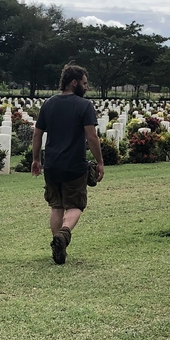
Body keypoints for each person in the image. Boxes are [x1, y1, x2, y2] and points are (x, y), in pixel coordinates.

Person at [31, 63, 104, 264]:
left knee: (56, 206)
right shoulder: (84, 106)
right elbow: (92, 137)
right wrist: (99, 161)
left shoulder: (48, 104)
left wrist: (36, 159)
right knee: (76, 205)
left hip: (52, 165)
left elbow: (37, 134)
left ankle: (58, 246)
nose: (86, 87)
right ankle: (63, 235)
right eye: (85, 83)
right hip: (75, 166)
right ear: (74, 83)